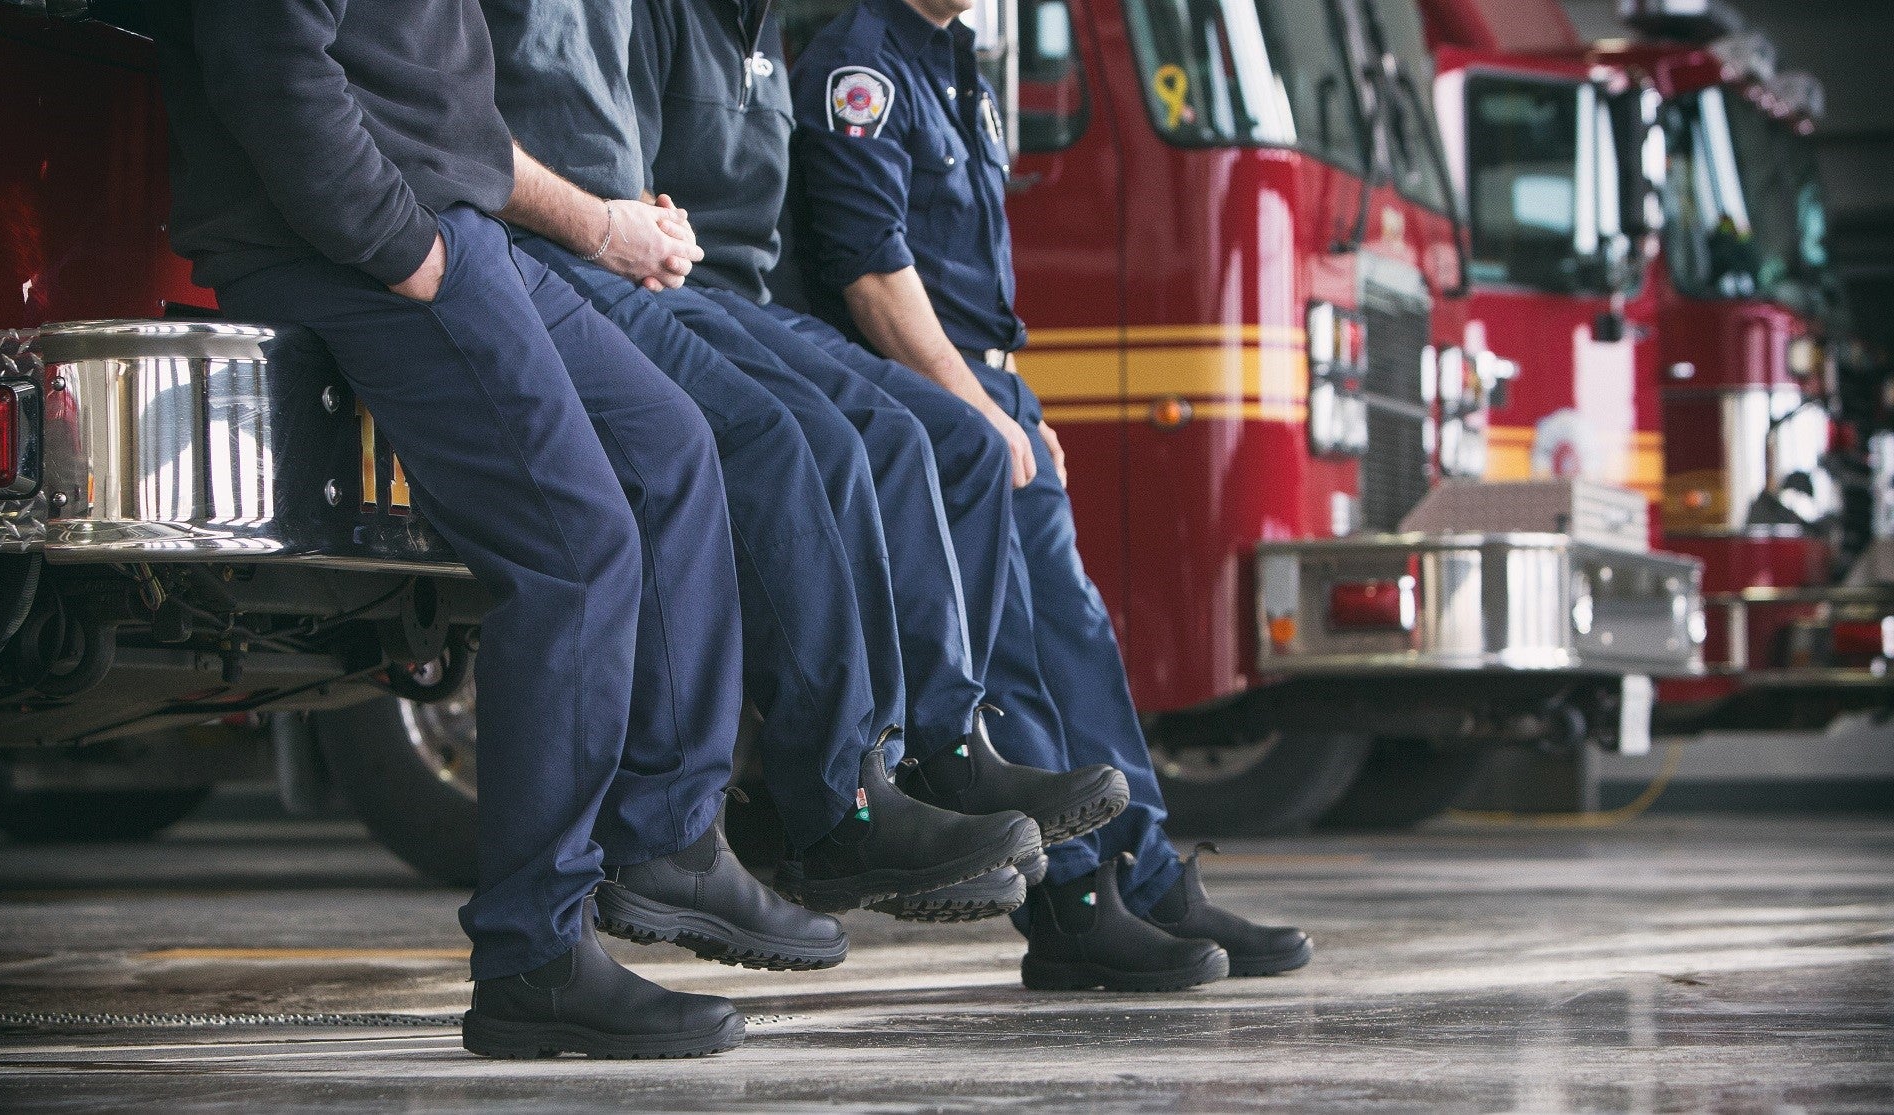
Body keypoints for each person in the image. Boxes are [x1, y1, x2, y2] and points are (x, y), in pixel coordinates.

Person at [149, 0, 965, 1060]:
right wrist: (401, 245)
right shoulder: (386, 231)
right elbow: (265, 55)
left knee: (675, 445)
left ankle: (669, 836)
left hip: (459, 220)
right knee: (576, 551)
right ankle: (531, 958)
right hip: (369, 239)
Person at [481, 0, 1121, 923]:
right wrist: (625, 223)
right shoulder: (792, 44)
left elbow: (624, 161)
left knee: (920, 443)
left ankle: (931, 749)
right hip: (584, 263)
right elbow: (477, 136)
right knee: (785, 445)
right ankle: (825, 804)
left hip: (663, 271)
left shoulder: (774, 40)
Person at [783, 0, 1317, 991]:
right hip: (933, 403)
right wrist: (971, 408)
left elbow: (975, 274)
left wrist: (1021, 407)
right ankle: (1069, 905)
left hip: (992, 389)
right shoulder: (856, 65)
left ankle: (1147, 876)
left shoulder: (957, 63)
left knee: (1078, 645)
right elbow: (867, 267)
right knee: (1014, 659)